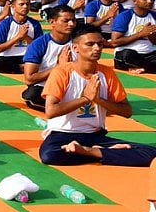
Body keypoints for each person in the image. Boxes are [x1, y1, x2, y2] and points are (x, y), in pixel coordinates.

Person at [39, 25, 156, 167]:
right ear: (75, 48)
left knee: (151, 153)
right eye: (90, 44)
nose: (97, 48)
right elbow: (50, 111)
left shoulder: (107, 73)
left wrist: (98, 100)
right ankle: (103, 153)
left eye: (100, 44)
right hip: (62, 134)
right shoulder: (61, 72)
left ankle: (90, 152)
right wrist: (85, 99)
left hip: (95, 136)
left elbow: (127, 111)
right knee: (49, 155)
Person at [22, 5, 76, 111]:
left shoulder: (80, 42)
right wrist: (59, 67)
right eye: (66, 21)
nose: (71, 24)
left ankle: (66, 108)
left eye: (73, 20)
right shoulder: (39, 44)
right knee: (32, 96)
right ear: (52, 22)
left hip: (73, 86)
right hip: (47, 87)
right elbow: (29, 79)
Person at [0, 0, 43, 75]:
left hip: (27, 56)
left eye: (27, 4)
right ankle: (24, 68)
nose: (25, 7)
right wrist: (18, 37)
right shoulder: (5, 24)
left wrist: (26, 37)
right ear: (13, 7)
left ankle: (24, 68)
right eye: (21, 4)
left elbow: (39, 48)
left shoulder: (35, 24)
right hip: (8, 57)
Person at [110, 0, 156, 73]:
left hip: (148, 53)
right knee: (127, 55)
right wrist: (141, 34)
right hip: (128, 53)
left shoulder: (154, 16)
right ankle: (148, 68)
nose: (149, 1)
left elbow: (154, 43)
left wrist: (151, 36)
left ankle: (143, 68)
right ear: (135, 1)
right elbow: (114, 42)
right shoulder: (125, 16)